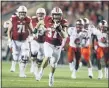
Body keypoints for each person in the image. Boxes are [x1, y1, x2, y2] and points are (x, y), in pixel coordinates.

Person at [38, 7, 68, 87]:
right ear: (52, 15)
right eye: (55, 15)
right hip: (48, 43)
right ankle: (41, 71)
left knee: (54, 64)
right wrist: (38, 29)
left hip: (58, 46)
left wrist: (60, 30)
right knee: (47, 56)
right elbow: (41, 22)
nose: (56, 17)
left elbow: (65, 35)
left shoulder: (63, 22)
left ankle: (51, 76)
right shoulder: (47, 19)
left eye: (58, 15)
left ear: (61, 15)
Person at [7, 5, 33, 77]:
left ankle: (22, 73)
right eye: (21, 13)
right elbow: (9, 31)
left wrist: (31, 36)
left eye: (24, 13)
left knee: (25, 56)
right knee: (15, 56)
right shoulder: (13, 18)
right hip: (15, 40)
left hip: (24, 40)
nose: (22, 14)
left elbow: (32, 30)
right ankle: (13, 64)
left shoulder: (28, 19)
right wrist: (9, 40)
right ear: (18, 12)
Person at [30, 8, 47, 80]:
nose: (40, 15)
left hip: (43, 42)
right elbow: (32, 28)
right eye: (39, 14)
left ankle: (37, 69)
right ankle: (33, 64)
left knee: (40, 58)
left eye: (42, 14)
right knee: (34, 51)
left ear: (44, 15)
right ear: (36, 14)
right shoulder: (33, 20)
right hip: (35, 40)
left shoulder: (47, 21)